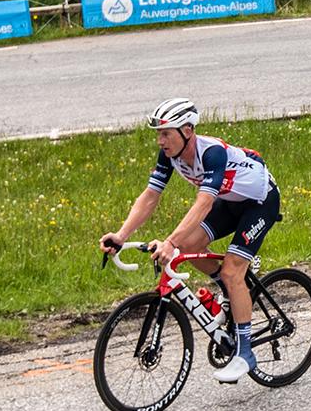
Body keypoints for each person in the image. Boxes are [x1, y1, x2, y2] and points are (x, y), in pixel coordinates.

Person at [100, 98, 281, 383]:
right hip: (230, 201)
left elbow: (204, 203)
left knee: (233, 269)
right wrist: (121, 235)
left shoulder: (212, 154)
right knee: (190, 247)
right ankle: (229, 291)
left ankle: (245, 353)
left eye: (166, 133)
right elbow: (150, 197)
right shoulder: (170, 155)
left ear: (187, 130)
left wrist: (170, 241)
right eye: (158, 134)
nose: (160, 141)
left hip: (259, 202)